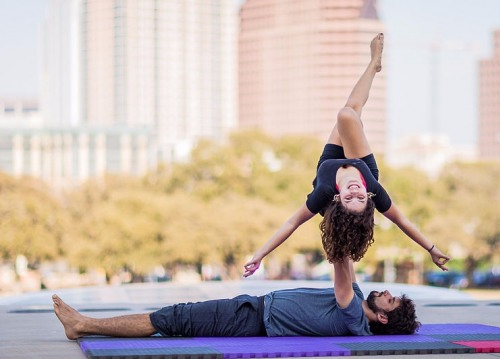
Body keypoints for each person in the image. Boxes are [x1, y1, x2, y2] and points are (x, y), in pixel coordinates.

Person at [244, 33, 450, 278]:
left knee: (349, 112)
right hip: (361, 165)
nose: (355, 192)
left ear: (337, 199)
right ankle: (373, 64)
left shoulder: (323, 193)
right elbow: (403, 221)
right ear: (368, 196)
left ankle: (374, 64)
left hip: (329, 164)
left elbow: (291, 224)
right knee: (348, 113)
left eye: (349, 198)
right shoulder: (372, 187)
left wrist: (259, 255)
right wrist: (432, 249)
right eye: (359, 198)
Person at [52, 257, 420, 339]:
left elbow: (341, 264)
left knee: (174, 318)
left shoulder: (354, 318)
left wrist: (338, 210)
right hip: (253, 307)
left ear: (383, 318)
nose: (387, 292)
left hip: (249, 319)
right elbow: (349, 266)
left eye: (391, 300)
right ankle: (83, 323)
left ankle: (82, 325)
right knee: (175, 316)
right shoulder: (358, 296)